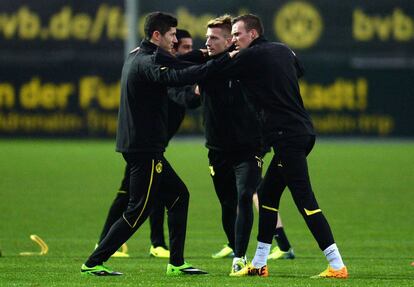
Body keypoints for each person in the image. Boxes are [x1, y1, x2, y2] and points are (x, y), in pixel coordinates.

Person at [80, 12, 230, 276]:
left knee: (179, 196)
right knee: (138, 210)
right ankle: (93, 262)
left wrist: (208, 54)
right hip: (144, 148)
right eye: (172, 35)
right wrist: (221, 62)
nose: (175, 39)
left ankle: (176, 262)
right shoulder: (148, 62)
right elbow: (176, 76)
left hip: (143, 146)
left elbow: (180, 60)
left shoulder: (140, 54)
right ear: (157, 35)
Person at [214, 14, 348, 278]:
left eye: (238, 35)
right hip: (300, 132)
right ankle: (260, 263)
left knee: (305, 200)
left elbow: (217, 70)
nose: (234, 40)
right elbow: (297, 69)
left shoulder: (250, 56)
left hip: (287, 136)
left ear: (253, 34)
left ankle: (336, 265)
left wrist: (227, 57)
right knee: (266, 195)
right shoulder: (282, 49)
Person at [95, 29, 198, 260]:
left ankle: (155, 246)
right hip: (144, 147)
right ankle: (103, 250)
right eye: (184, 47)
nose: (188, 51)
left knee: (159, 194)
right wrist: (200, 86)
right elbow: (184, 97)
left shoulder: (168, 68)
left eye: (191, 47)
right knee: (136, 199)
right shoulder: (162, 73)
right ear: (172, 47)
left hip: (151, 147)